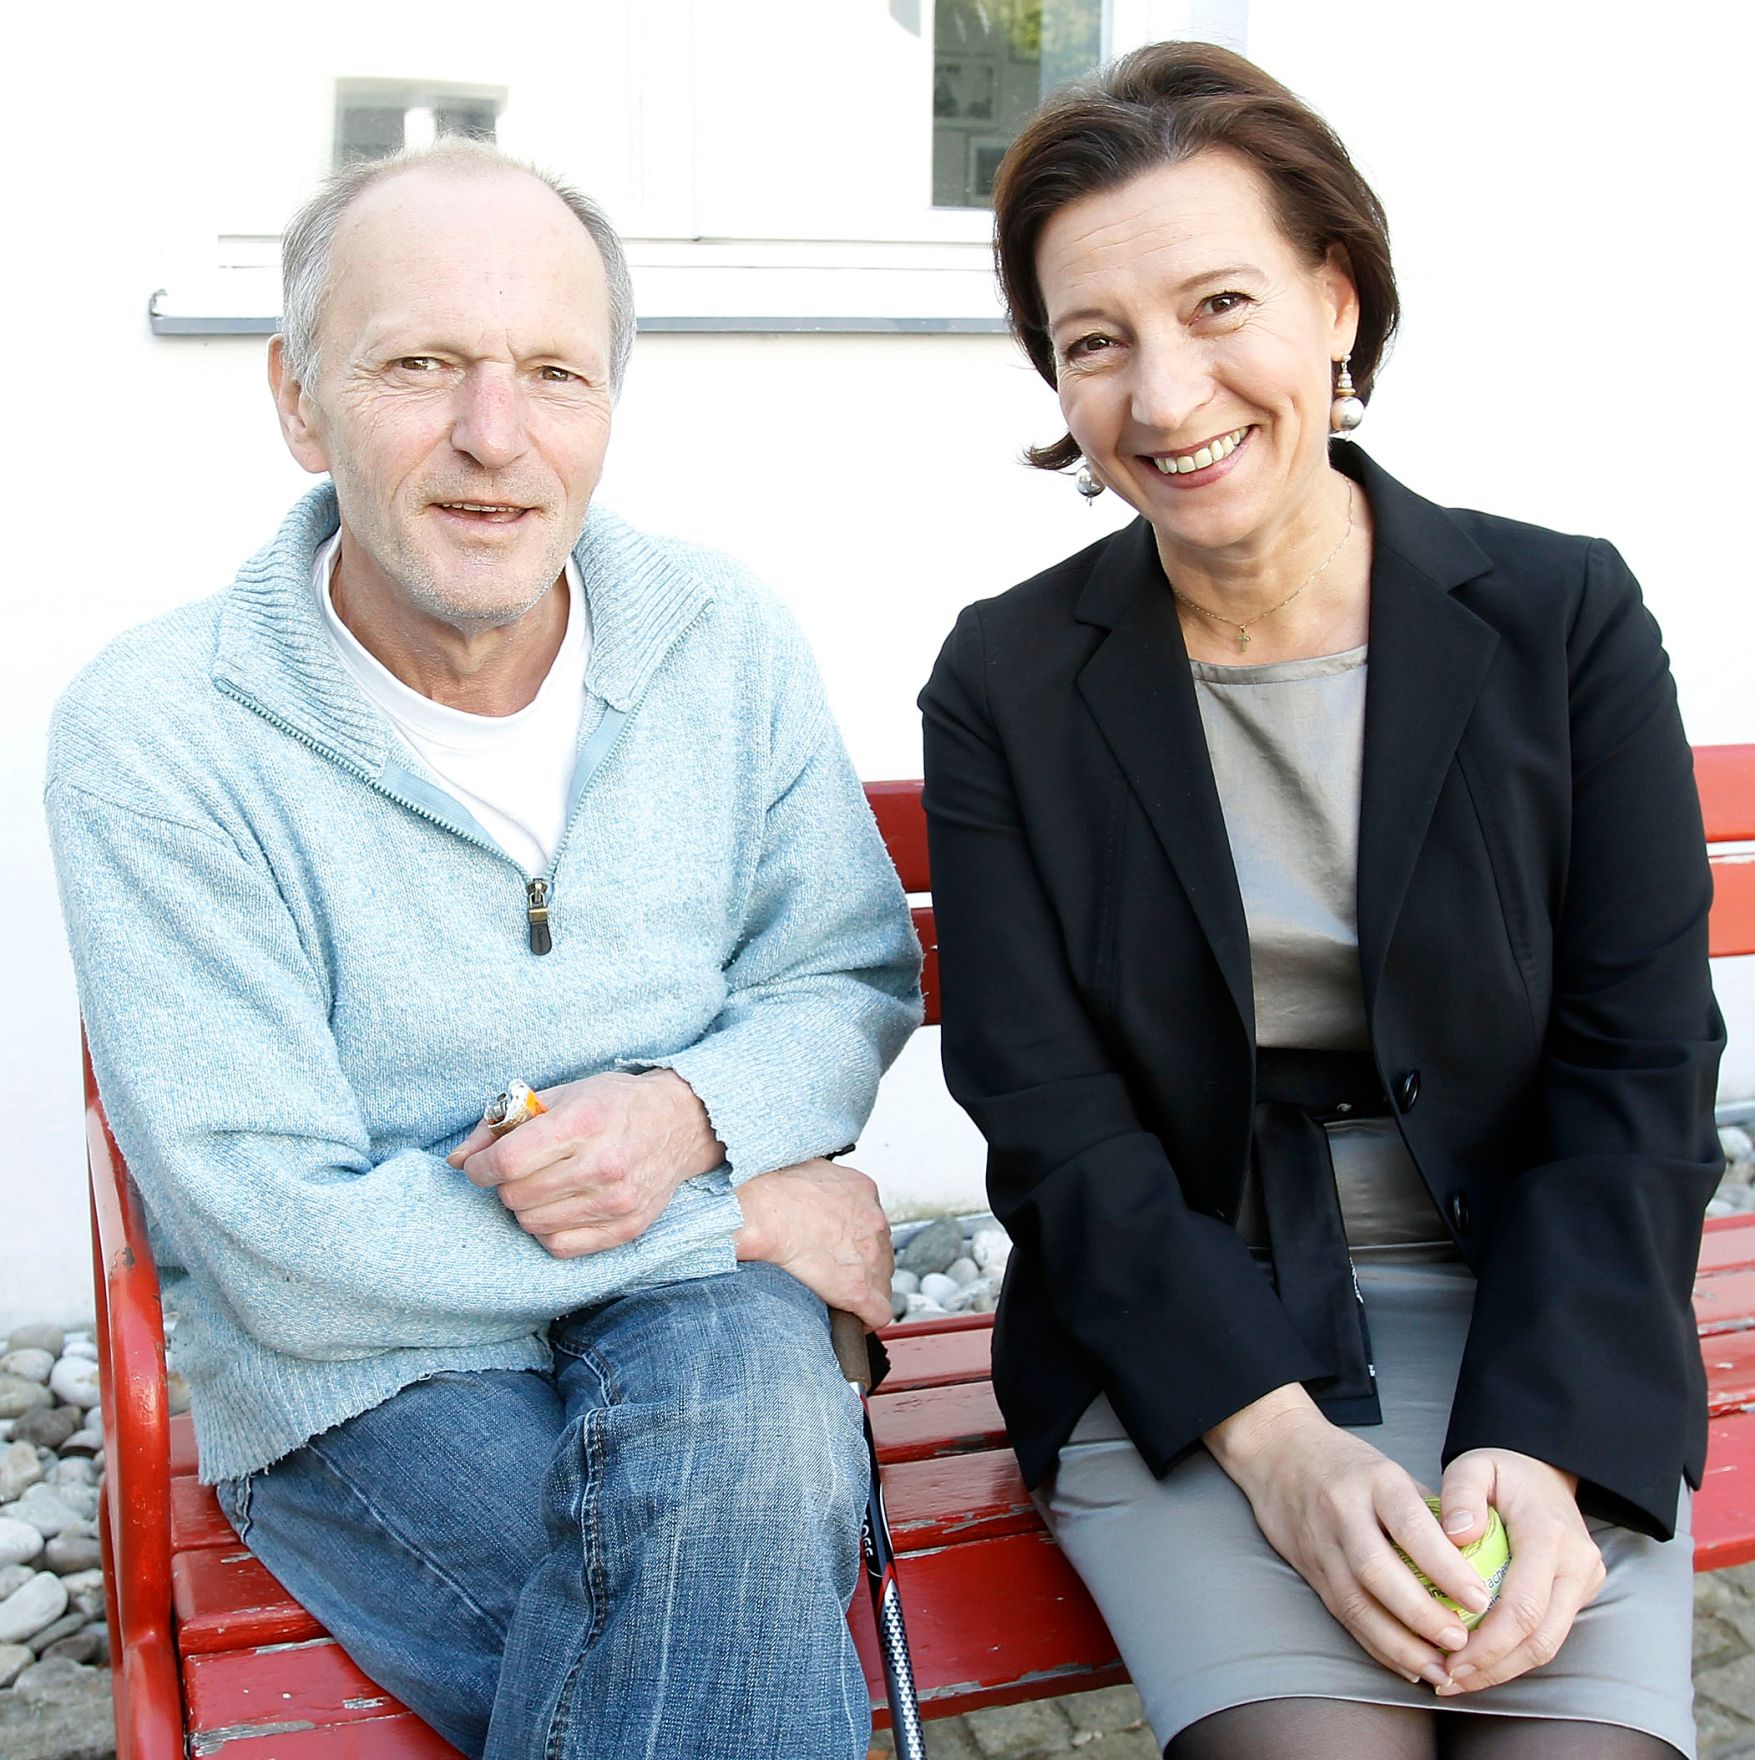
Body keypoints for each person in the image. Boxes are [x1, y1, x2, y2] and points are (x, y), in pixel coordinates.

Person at [46, 139, 921, 1760]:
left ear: (608, 402)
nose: (493, 435)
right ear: (298, 400)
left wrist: (682, 1117)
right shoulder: (159, 733)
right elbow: (275, 1241)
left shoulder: (720, 636)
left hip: (696, 1310)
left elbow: (846, 972)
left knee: (711, 1524)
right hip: (366, 1365)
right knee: (726, 1568)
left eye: (552, 373)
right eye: (419, 365)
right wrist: (725, 1223)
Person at [919, 41, 1722, 1760]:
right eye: (1095, 342)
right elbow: (1054, 1130)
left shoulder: (1564, 620)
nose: (1165, 394)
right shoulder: (1009, 679)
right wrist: (1277, 1448)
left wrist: (1554, 1435)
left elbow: (1638, 1065)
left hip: (1539, 1306)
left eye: (1221, 303)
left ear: (1336, 301)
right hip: (1198, 1337)